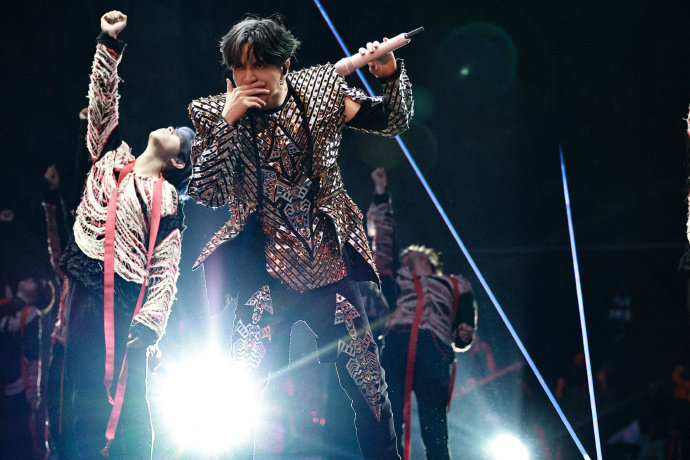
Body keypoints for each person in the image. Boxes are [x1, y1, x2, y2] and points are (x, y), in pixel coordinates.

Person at [187, 14, 413, 459]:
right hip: (263, 276)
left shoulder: (321, 92)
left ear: (284, 63)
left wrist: (388, 74)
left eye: (259, 65)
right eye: (239, 67)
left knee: (370, 388)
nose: (248, 77)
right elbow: (206, 193)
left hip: (328, 266)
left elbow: (393, 121)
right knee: (239, 393)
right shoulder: (214, 112)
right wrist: (227, 123)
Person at [58, 10, 192, 458]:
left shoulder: (167, 200)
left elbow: (167, 266)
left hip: (124, 300)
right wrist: (109, 43)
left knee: (124, 403)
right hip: (84, 283)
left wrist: (152, 320)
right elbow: (102, 102)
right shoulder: (111, 156)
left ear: (178, 162)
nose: (169, 128)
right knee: (77, 390)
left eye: (177, 135)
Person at [368, 168, 477, 460]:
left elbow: (465, 321)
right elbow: (383, 243)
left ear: (429, 259)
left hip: (434, 348)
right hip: (398, 343)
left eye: (413, 254)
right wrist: (381, 195)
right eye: (404, 257)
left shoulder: (455, 284)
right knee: (390, 418)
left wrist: (464, 334)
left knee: (434, 424)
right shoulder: (397, 280)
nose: (407, 256)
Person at [0, 271, 43, 458]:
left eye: (33, 280)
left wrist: (33, 393)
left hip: (18, 384)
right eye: (28, 278)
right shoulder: (4, 306)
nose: (31, 281)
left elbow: (33, 357)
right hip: (6, 381)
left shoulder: (32, 314)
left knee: (18, 436)